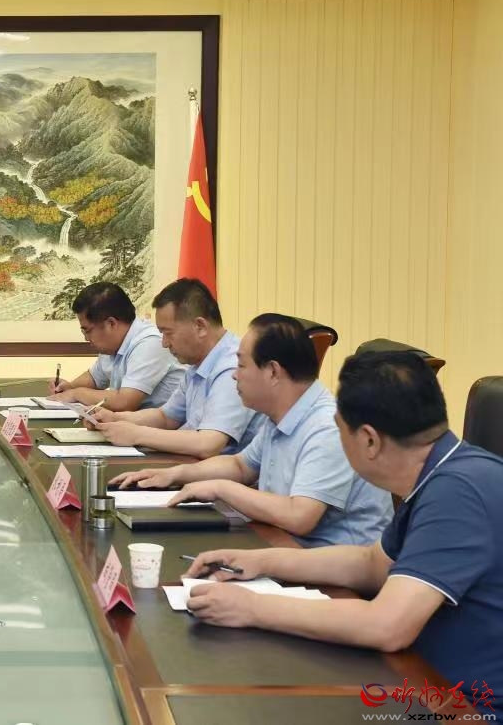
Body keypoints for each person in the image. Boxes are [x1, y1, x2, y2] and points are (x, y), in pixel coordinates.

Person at [184, 352, 502, 697]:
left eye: (339, 430)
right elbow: (372, 564)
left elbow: (387, 626)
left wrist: (251, 607)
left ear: (369, 440)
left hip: (464, 706)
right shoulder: (444, 473)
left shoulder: (457, 492)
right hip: (422, 679)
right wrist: (260, 560)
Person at [111, 313, 392, 547]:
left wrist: (220, 488)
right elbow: (240, 465)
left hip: (330, 568)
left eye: (242, 365)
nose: (235, 374)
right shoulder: (282, 413)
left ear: (273, 372)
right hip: (285, 544)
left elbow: (300, 516)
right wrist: (174, 475)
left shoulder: (327, 427)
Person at [84, 278, 262, 457]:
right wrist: (115, 418)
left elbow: (208, 443)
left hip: (218, 470)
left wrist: (137, 434)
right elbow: (166, 417)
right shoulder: (198, 363)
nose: (164, 343)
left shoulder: (232, 367)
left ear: (200, 327)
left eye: (168, 333)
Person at [50, 282, 183, 409]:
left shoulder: (150, 343)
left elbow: (124, 402)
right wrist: (68, 387)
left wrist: (77, 393)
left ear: (111, 323)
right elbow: (94, 378)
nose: (86, 338)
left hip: (167, 424)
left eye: (88, 331)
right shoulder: (112, 345)